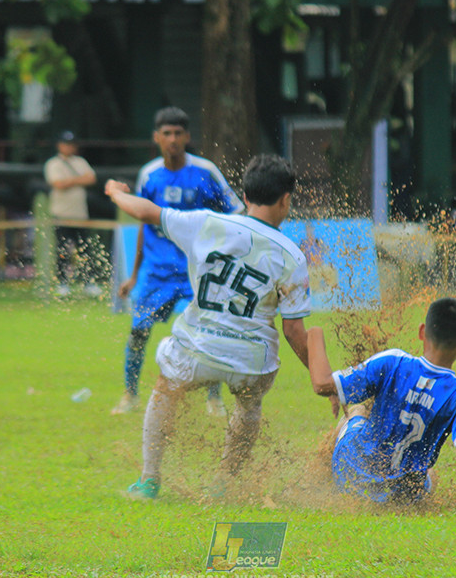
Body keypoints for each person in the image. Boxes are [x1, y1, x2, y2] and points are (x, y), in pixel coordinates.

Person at [104, 154, 311, 500]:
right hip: (251, 363)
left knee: (166, 387)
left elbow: (144, 212)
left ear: (245, 196)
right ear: (286, 200)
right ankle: (222, 485)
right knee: (248, 407)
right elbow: (294, 332)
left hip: (197, 350)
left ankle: (149, 481)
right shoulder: (293, 256)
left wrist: (114, 191)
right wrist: (322, 379)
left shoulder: (205, 222)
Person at [112, 107, 244, 417]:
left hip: (197, 273)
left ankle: (214, 398)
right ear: (156, 138)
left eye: (178, 134)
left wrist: (224, 259)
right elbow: (145, 223)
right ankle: (129, 395)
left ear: (187, 137)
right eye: (166, 134)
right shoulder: (149, 174)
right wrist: (133, 276)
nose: (172, 140)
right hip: (157, 273)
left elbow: (236, 213)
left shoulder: (205, 171)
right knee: (137, 332)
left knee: (207, 332)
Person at [306, 297, 456, 512]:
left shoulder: (393, 362)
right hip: (404, 496)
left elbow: (321, 384)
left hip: (351, 476)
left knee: (357, 410)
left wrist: (314, 335)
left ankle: (324, 474)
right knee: (430, 475)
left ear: (422, 332)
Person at [43, 130, 102, 297]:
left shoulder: (80, 161)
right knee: (62, 250)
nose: (69, 147)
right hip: (61, 214)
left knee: (85, 250)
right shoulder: (53, 163)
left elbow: (91, 178)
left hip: (80, 215)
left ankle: (88, 282)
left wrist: (70, 181)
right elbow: (58, 183)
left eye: (72, 144)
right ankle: (62, 283)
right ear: (59, 145)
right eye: (66, 144)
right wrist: (78, 180)